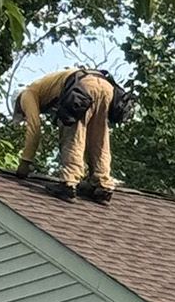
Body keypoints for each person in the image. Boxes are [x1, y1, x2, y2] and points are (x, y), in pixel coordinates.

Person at [13, 68, 131, 203]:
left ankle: (69, 183)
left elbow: (35, 129)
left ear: (18, 103)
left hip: (82, 87)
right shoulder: (46, 90)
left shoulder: (27, 94)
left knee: (73, 132)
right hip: (106, 87)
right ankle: (102, 186)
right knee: (99, 137)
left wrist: (26, 161)